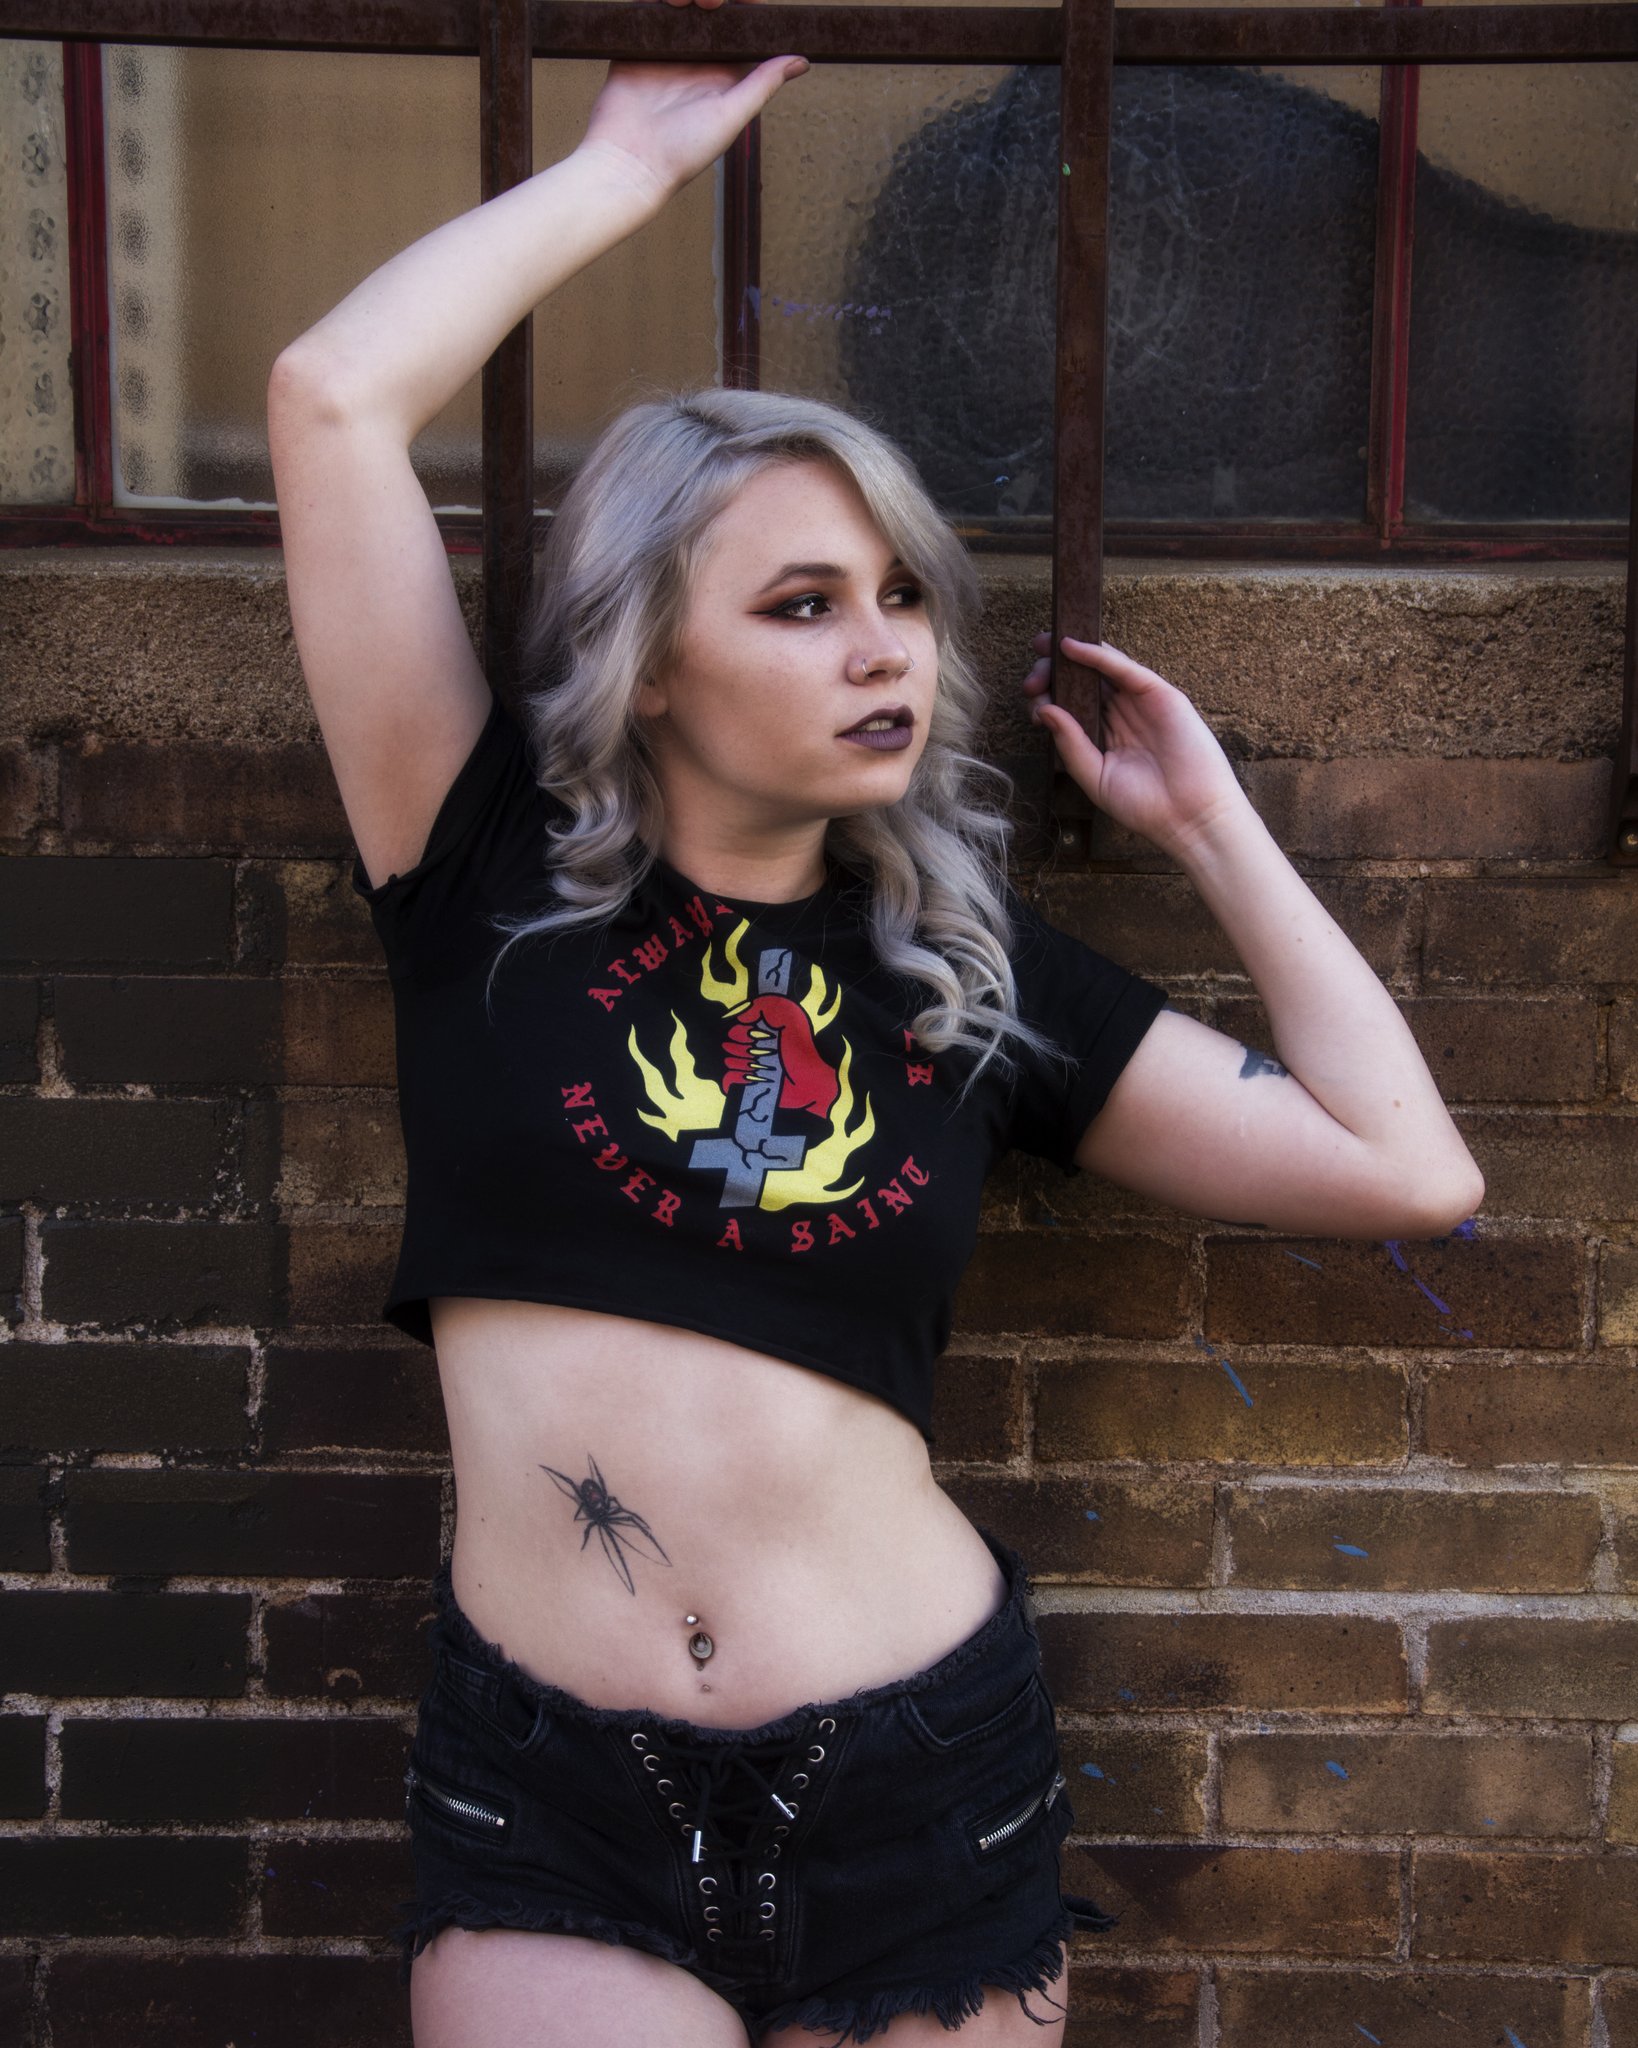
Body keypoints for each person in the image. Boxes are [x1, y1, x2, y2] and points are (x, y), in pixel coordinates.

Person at [265, 6, 1485, 2042]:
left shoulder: (965, 973)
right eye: (803, 603)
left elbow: (1406, 1168)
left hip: (915, 1783)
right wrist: (622, 175)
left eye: (903, 596)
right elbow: (327, 400)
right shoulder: (478, 869)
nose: (883, 649)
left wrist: (1215, 830)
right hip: (553, 1795)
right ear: (650, 661)